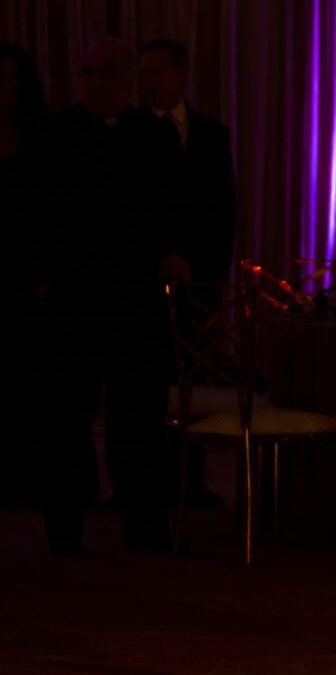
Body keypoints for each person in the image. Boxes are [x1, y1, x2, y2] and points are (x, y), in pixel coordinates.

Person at [36, 37, 183, 556]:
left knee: (139, 417)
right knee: (66, 417)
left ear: (127, 79)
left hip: (136, 297)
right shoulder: (57, 134)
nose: (98, 83)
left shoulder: (155, 136)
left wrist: (170, 253)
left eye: (108, 73)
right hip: (75, 297)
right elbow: (37, 211)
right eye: (90, 73)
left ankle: (144, 524)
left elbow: (174, 207)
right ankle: (65, 528)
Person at [138, 36, 236, 512]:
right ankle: (143, 480)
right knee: (145, 383)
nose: (150, 82)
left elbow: (222, 214)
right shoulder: (133, 133)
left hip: (199, 281)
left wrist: (211, 282)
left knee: (190, 383)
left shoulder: (212, 135)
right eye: (145, 74)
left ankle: (190, 482)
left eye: (158, 72)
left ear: (182, 74)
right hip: (144, 280)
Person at [0, 45, 49, 508]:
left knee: (27, 376)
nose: (9, 87)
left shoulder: (40, 134)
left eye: (16, 77)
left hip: (28, 267)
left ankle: (29, 477)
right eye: (2, 77)